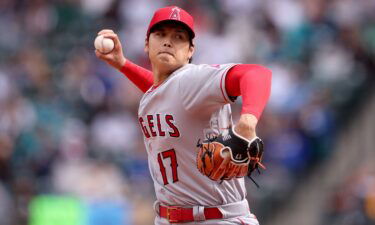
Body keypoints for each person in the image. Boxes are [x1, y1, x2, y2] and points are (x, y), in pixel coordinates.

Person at [95, 6, 272, 225]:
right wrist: (123, 64)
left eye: (178, 37)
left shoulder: (192, 79)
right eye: (161, 35)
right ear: (147, 44)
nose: (168, 42)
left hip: (217, 219)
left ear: (190, 51)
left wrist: (248, 121)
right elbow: (163, 90)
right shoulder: (166, 92)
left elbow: (257, 74)